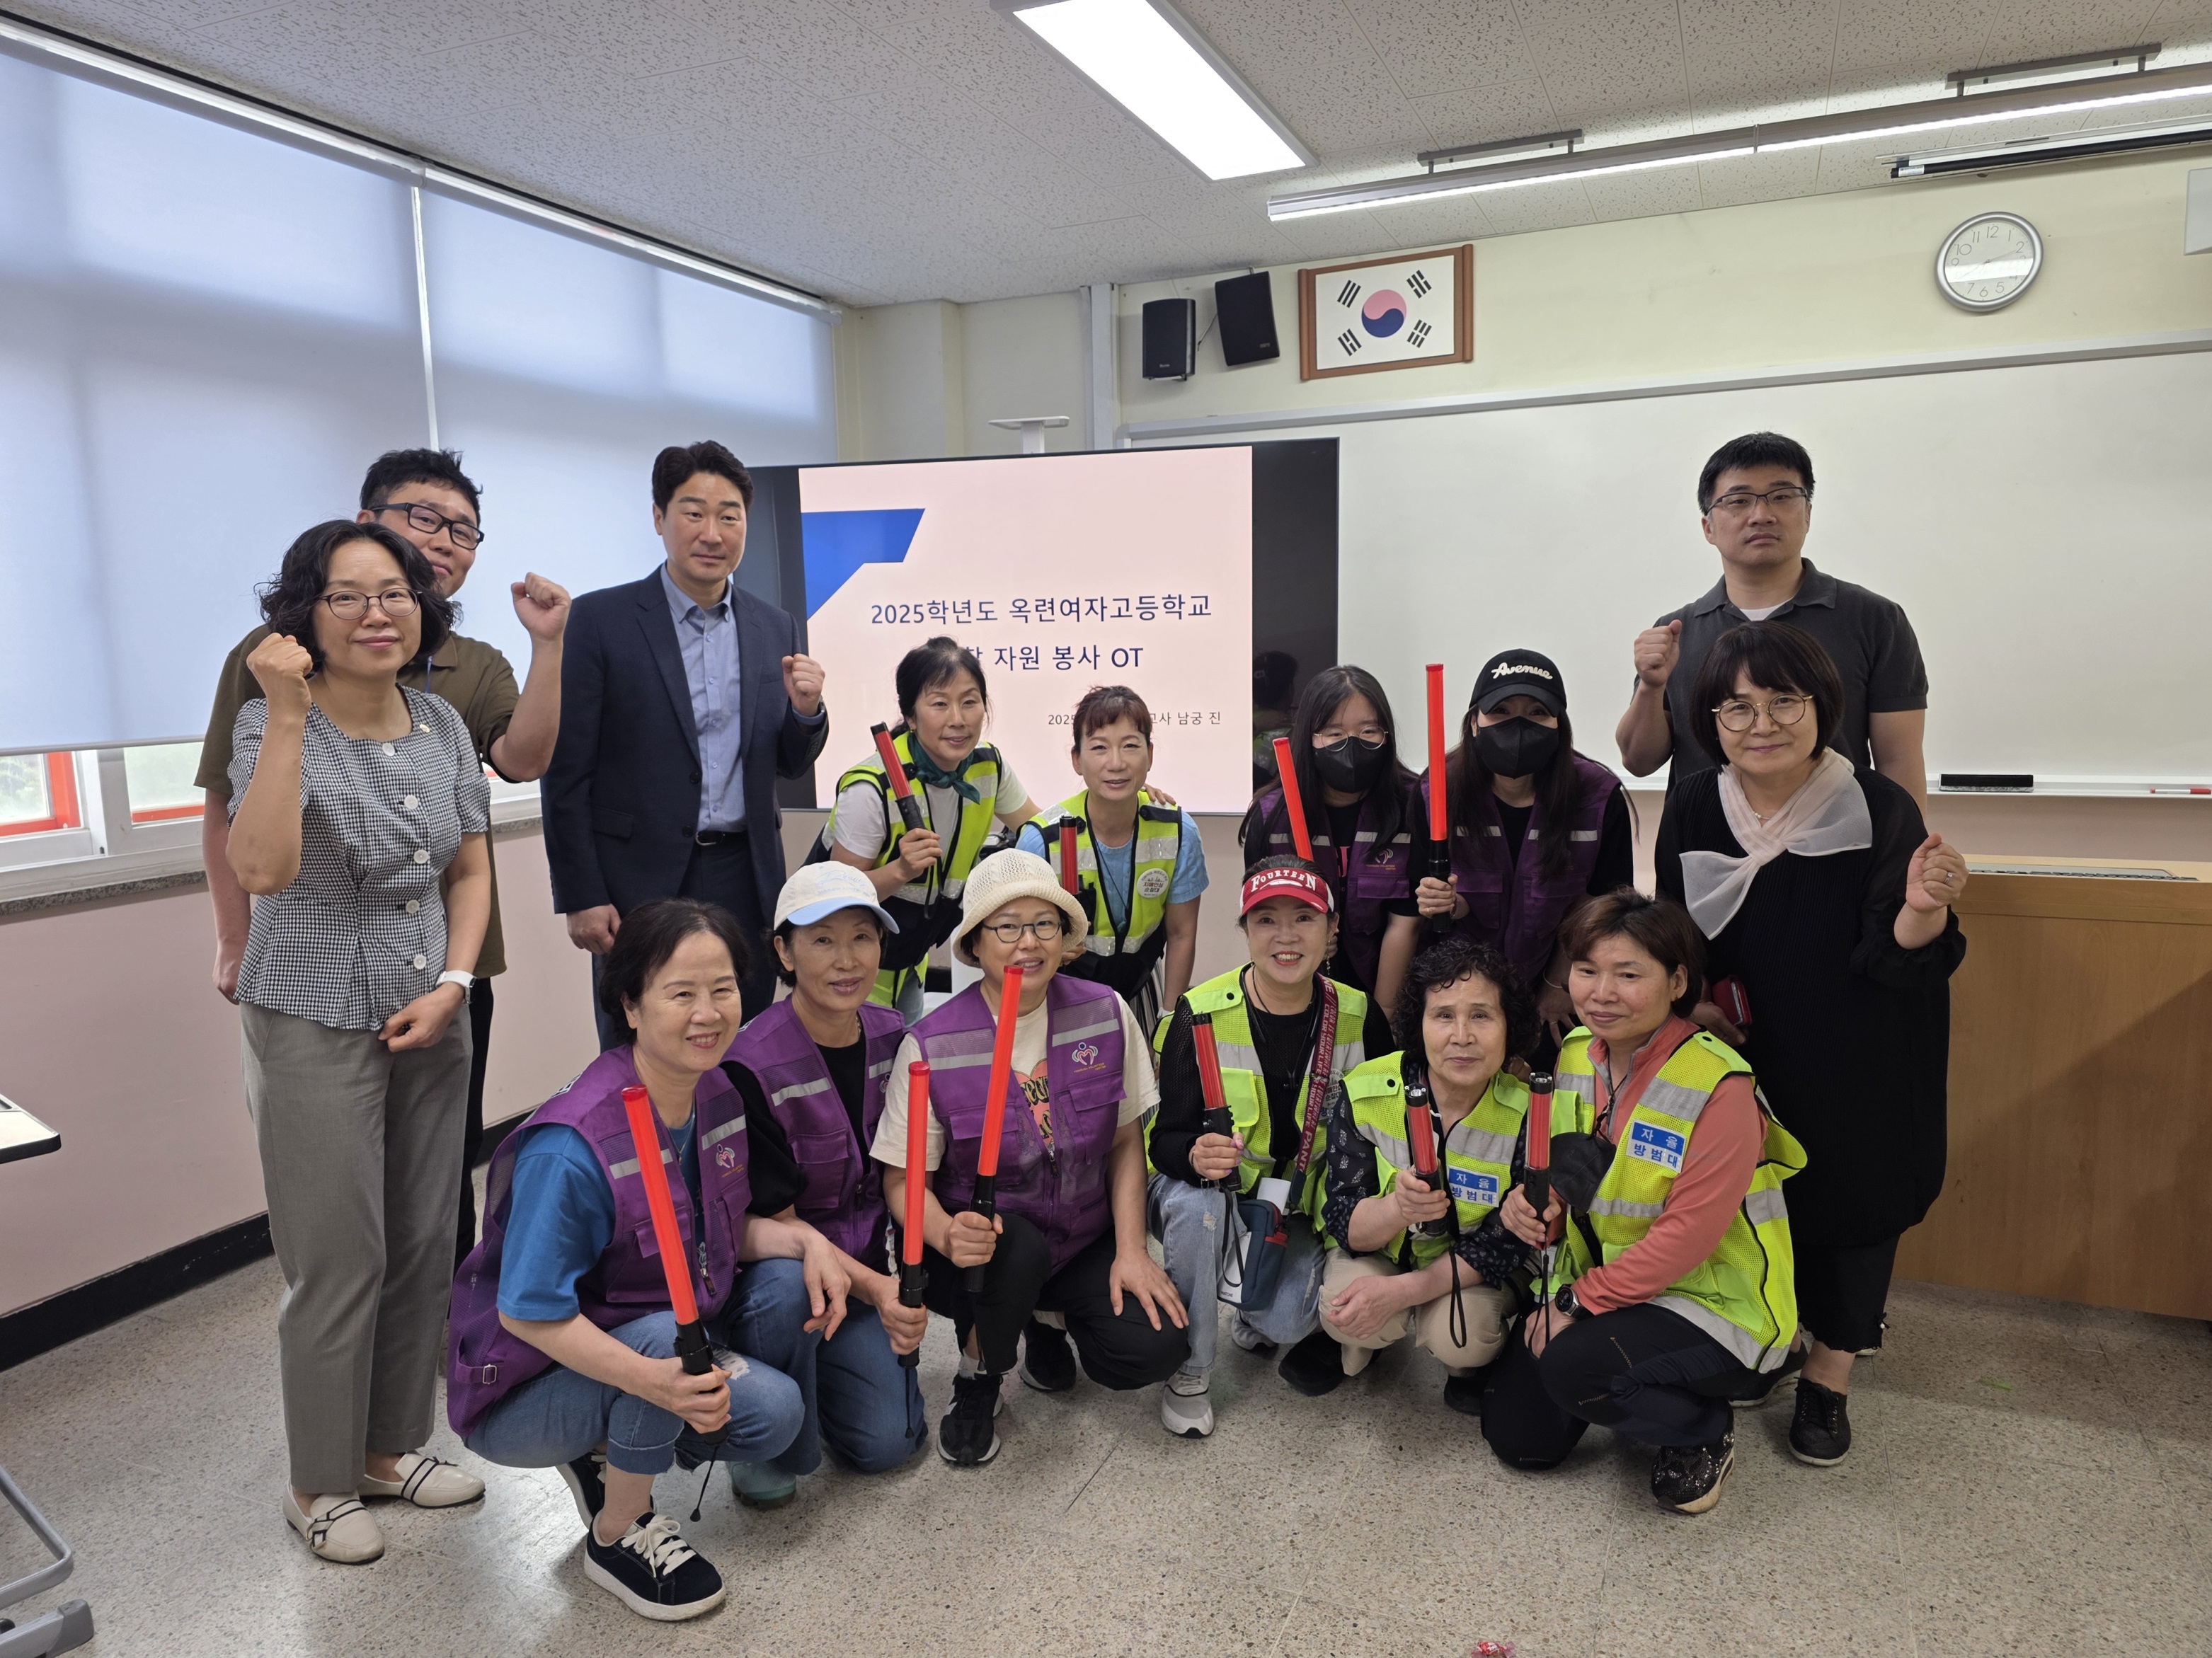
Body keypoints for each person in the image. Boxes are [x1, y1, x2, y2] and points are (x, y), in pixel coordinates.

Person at [199, 447, 571, 1269]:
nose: (444, 540)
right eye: (422, 517)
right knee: (339, 1227)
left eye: (463, 528)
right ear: (369, 521)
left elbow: (521, 761)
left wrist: (549, 648)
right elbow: (228, 808)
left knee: (436, 1194)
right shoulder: (275, 660)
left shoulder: (467, 669)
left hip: (447, 958)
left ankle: (448, 1346)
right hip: (318, 968)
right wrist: (233, 937)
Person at [449, 900, 842, 1621]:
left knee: (774, 1412)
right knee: (669, 1347)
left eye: (722, 989)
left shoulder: (716, 1092)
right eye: (680, 993)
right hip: (523, 1387)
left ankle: (614, 1436)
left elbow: (714, 1230)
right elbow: (527, 1312)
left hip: (646, 1333)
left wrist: (808, 1241)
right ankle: (617, 1532)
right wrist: (658, 1383)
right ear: (630, 1006)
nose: (708, 1013)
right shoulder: (573, 1148)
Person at [227, 519, 493, 1563]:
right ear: (306, 615)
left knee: (425, 1239)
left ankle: (391, 1449)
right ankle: (317, 1479)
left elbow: (469, 872)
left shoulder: (438, 720)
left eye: (397, 592)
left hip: (432, 1012)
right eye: (348, 595)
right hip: (311, 1014)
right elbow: (261, 868)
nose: (378, 612)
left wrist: (455, 983)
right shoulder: (268, 724)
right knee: (339, 1257)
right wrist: (290, 716)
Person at [1656, 621, 1966, 1467]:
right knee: (1756, 1198)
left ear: (1820, 704)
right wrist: (1692, 1010)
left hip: (1861, 1046)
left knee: (1854, 1201)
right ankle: (1775, 1337)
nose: (1761, 724)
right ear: (1709, 719)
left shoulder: (1875, 805)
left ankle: (1829, 1378)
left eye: (1782, 701)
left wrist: (1924, 905)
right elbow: (1673, 931)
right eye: (1737, 706)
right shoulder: (1691, 801)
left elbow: (1900, 949)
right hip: (1742, 1052)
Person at [1481, 890, 1806, 1516]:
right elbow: (1576, 1175)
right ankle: (1627, 1373)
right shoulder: (1577, 1052)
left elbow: (1687, 1236)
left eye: (1628, 974)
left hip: (1714, 1304)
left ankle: (1702, 1428)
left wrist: (1573, 1303)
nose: (1601, 992)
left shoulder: (1719, 1085)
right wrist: (1531, 1206)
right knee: (1521, 1442)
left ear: (1677, 980)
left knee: (1573, 1365)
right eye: (1586, 970)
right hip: (1618, 1287)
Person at [873, 851, 1189, 1466]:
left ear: (1065, 937)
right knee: (1014, 1248)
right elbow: (901, 1180)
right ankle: (977, 1374)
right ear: (974, 943)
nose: (1028, 942)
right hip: (983, 1254)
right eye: (1008, 926)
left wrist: (1131, 1251)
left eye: (1044, 924)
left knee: (1152, 1349)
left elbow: (1126, 1142)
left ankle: (1046, 1318)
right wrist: (943, 1230)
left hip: (1080, 1238)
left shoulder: (1105, 1012)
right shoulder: (933, 1042)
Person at [543, 441, 829, 1038]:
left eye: (729, 515)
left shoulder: (772, 624)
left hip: (743, 875)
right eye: (693, 512)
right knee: (640, 1042)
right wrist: (581, 894)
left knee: (742, 1041)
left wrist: (806, 712)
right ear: (658, 517)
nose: (712, 532)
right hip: (636, 878)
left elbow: (784, 761)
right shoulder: (601, 620)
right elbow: (568, 769)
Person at [1145, 858, 1391, 1434]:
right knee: (1196, 1205)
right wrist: (1192, 1155)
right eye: (1266, 920)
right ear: (1246, 929)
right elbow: (1164, 1141)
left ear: (1331, 930)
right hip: (1214, 1197)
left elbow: (1385, 1142)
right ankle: (1192, 1368)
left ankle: (1251, 1300)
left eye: (1303, 918)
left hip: (1296, 1211)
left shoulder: (1358, 1016)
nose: (1286, 937)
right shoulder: (1198, 1012)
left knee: (1286, 1321)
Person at [717, 863, 930, 1497]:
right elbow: (776, 1224)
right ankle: (758, 1418)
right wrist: (883, 1290)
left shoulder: (898, 1038)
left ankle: (826, 1385)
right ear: (782, 951)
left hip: (860, 1275)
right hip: (779, 1277)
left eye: (862, 937)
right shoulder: (747, 1063)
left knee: (888, 1445)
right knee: (786, 1285)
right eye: (822, 939)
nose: (847, 960)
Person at [1612, 431, 1930, 802]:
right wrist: (1651, 689)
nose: (1761, 515)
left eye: (1782, 497)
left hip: (1837, 850)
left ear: (1808, 513)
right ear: (1708, 528)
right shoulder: (1676, 631)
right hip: (1705, 850)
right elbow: (1639, 761)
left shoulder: (1875, 620)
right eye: (1739, 500)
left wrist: (1907, 853)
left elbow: (1899, 759)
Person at [1315, 935, 1535, 1412]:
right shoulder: (1367, 1091)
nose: (1462, 1035)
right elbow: (1340, 1214)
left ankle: (1454, 1340)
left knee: (1463, 1339)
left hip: (1472, 1267)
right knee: (1341, 1310)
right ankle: (1371, 1335)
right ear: (1418, 1022)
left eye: (1481, 1015)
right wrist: (1396, 1207)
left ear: (1507, 1024)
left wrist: (1403, 1291)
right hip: (1385, 1250)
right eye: (1443, 1015)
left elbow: (1508, 1242)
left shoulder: (1528, 1113)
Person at [1411, 649, 1632, 1050]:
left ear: (1559, 724)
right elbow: (1420, 907)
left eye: (1536, 713)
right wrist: (1448, 904)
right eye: (1501, 711)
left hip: (1555, 991)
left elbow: (1603, 909)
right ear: (1475, 721)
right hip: (1457, 992)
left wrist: (1557, 984)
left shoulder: (1598, 796)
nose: (1517, 725)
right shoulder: (1436, 792)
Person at [815, 637, 1041, 1015]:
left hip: (909, 957)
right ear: (912, 716)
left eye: (970, 702)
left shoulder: (989, 766)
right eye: (940, 704)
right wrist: (901, 870)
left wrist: (1118, 798)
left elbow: (1042, 832)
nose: (958, 719)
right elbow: (839, 897)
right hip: (848, 966)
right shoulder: (871, 786)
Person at [1016, 684, 1208, 1030]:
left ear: (1149, 754)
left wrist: (1169, 1024)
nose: (1116, 763)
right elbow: (1016, 939)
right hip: (1059, 993)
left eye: (1131, 746)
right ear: (1077, 760)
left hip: (1142, 985)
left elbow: (1182, 935)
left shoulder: (1178, 829)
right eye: (1099, 748)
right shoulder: (1041, 840)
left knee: (1147, 1082)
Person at [1240, 664, 1422, 1018]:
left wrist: (1382, 1017)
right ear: (1309, 735)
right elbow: (1260, 918)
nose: (1351, 744)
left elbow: (1406, 921)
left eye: (1368, 731)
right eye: (1333, 732)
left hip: (1395, 995)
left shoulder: (1414, 806)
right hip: (1301, 997)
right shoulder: (1272, 815)